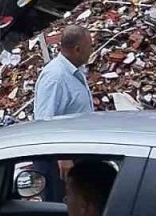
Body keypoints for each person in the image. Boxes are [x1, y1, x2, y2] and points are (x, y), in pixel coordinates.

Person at [32, 25, 96, 200]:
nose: (92, 50)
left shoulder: (74, 70)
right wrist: (63, 156)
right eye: (90, 46)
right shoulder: (56, 77)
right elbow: (44, 122)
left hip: (74, 155)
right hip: (58, 163)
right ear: (77, 49)